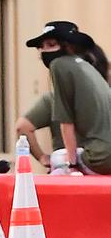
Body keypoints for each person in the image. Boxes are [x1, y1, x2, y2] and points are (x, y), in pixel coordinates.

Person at [25, 21, 111, 174]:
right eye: (41, 47)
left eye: (51, 45)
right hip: (104, 154)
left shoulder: (59, 64)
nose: (44, 51)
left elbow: (66, 122)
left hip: (99, 157)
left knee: (58, 159)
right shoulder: (86, 67)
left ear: (68, 46)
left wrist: (71, 165)